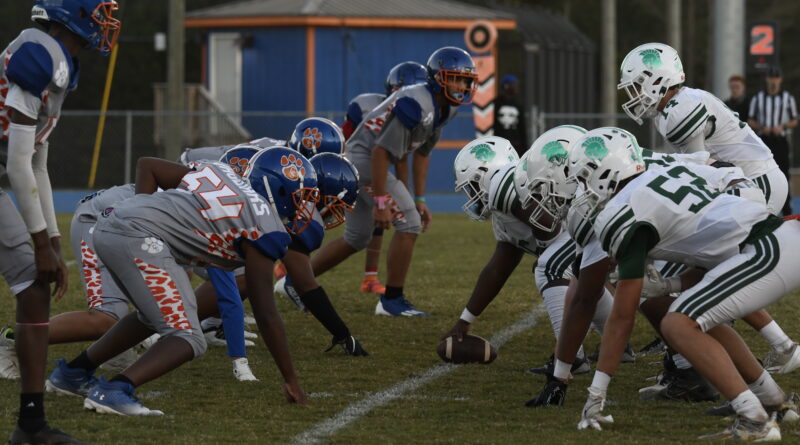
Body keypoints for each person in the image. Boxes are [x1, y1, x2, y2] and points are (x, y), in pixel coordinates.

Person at [569, 128, 799, 440]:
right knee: (697, 317)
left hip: (765, 250)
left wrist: (597, 392)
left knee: (676, 324)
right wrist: (668, 286)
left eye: (585, 178)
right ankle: (773, 402)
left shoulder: (621, 212)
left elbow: (622, 316)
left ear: (605, 171)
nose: (584, 188)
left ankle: (754, 419)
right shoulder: (659, 176)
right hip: (772, 242)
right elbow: (711, 253)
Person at [46, 149, 310, 416]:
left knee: (151, 318)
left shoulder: (224, 172)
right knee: (189, 337)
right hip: (137, 238)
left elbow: (147, 164)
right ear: (278, 190)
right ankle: (115, 391)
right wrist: (291, 378)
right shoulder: (266, 226)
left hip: (110, 226)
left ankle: (73, 373)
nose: (304, 207)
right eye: (302, 197)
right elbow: (266, 314)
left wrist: (137, 211)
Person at [0, 1, 120, 443]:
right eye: (100, 14)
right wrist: (39, 244)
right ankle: (31, 427)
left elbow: (36, 163)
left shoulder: (56, 58)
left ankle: (31, 425)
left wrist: (51, 237)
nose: (105, 25)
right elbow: (16, 165)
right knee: (34, 280)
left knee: (35, 284)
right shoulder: (40, 54)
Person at [310, 46, 477, 317]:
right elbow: (380, 151)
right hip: (363, 158)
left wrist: (419, 199)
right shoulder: (416, 103)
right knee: (408, 222)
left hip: (371, 158)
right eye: (455, 78)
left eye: (465, 80)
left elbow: (421, 153)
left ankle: (296, 282)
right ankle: (392, 300)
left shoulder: (446, 108)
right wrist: (380, 201)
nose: (461, 86)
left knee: (357, 237)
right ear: (437, 78)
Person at [441, 131, 604, 375]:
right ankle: (617, 346)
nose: (472, 194)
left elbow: (551, 230)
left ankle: (572, 358)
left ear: (486, 174)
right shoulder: (502, 209)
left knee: (551, 266)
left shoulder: (503, 183)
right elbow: (499, 268)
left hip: (595, 226)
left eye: (473, 185)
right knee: (570, 272)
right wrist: (465, 320)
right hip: (588, 234)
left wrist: (546, 255)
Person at [618, 43, 788, 217]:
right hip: (740, 179)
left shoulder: (681, 109)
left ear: (656, 80)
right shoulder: (669, 110)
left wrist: (646, 159)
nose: (635, 95)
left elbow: (697, 170)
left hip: (756, 182)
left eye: (637, 87)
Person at [340, 61, 428, 296]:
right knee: (324, 214)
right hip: (346, 167)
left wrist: (407, 195)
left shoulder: (416, 111)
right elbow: (345, 142)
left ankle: (370, 277)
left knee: (369, 227)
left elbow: (400, 158)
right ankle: (290, 268)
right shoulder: (367, 105)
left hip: (376, 168)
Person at [748, 66, 798, 216]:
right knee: (763, 173)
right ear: (767, 80)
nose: (773, 81)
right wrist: (763, 127)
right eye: (771, 78)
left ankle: (787, 211)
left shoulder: (788, 98)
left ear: (780, 80)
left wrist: (782, 126)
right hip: (764, 140)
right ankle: (765, 209)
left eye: (776, 78)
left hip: (781, 140)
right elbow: (751, 120)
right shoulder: (758, 98)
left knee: (784, 173)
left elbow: (794, 120)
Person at [492, 74, 528, 158]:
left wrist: (525, 148)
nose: (516, 87)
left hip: (516, 145)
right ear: (506, 86)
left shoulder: (518, 105)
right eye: (514, 84)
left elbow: (522, 128)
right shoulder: (496, 104)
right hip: (499, 144)